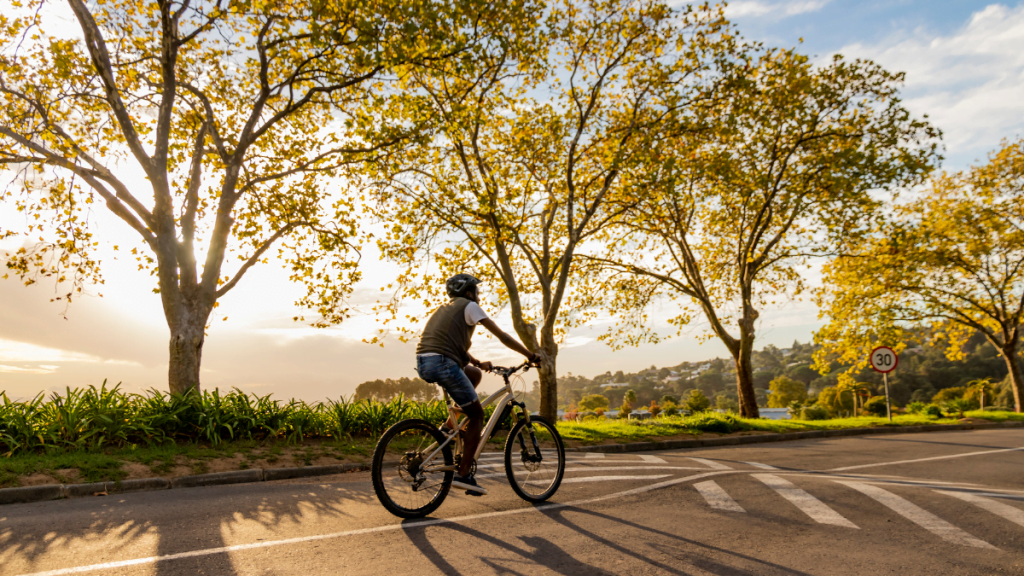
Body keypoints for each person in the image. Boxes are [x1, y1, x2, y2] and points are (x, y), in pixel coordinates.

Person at [415, 273, 539, 496]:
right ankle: (463, 475)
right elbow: (502, 336)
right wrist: (530, 354)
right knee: (478, 415)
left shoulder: (444, 308)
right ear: (469, 292)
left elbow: (449, 342)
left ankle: (449, 427)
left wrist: (476, 362)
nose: (478, 295)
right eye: (476, 290)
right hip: (443, 362)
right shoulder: (470, 305)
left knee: (473, 374)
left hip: (426, 361)